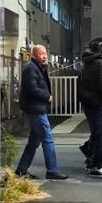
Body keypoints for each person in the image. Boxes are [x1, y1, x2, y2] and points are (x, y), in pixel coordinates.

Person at [14, 45, 68, 180]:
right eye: (41, 54)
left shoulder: (36, 67)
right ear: (34, 55)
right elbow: (32, 88)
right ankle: (52, 170)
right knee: (48, 139)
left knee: (33, 142)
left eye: (45, 54)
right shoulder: (31, 68)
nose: (44, 56)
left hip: (37, 108)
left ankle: (21, 170)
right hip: (35, 109)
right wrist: (47, 96)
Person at [77, 37, 102, 178]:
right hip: (100, 106)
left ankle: (90, 159)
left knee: (96, 134)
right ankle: (95, 166)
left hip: (89, 106)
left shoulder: (86, 64)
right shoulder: (101, 65)